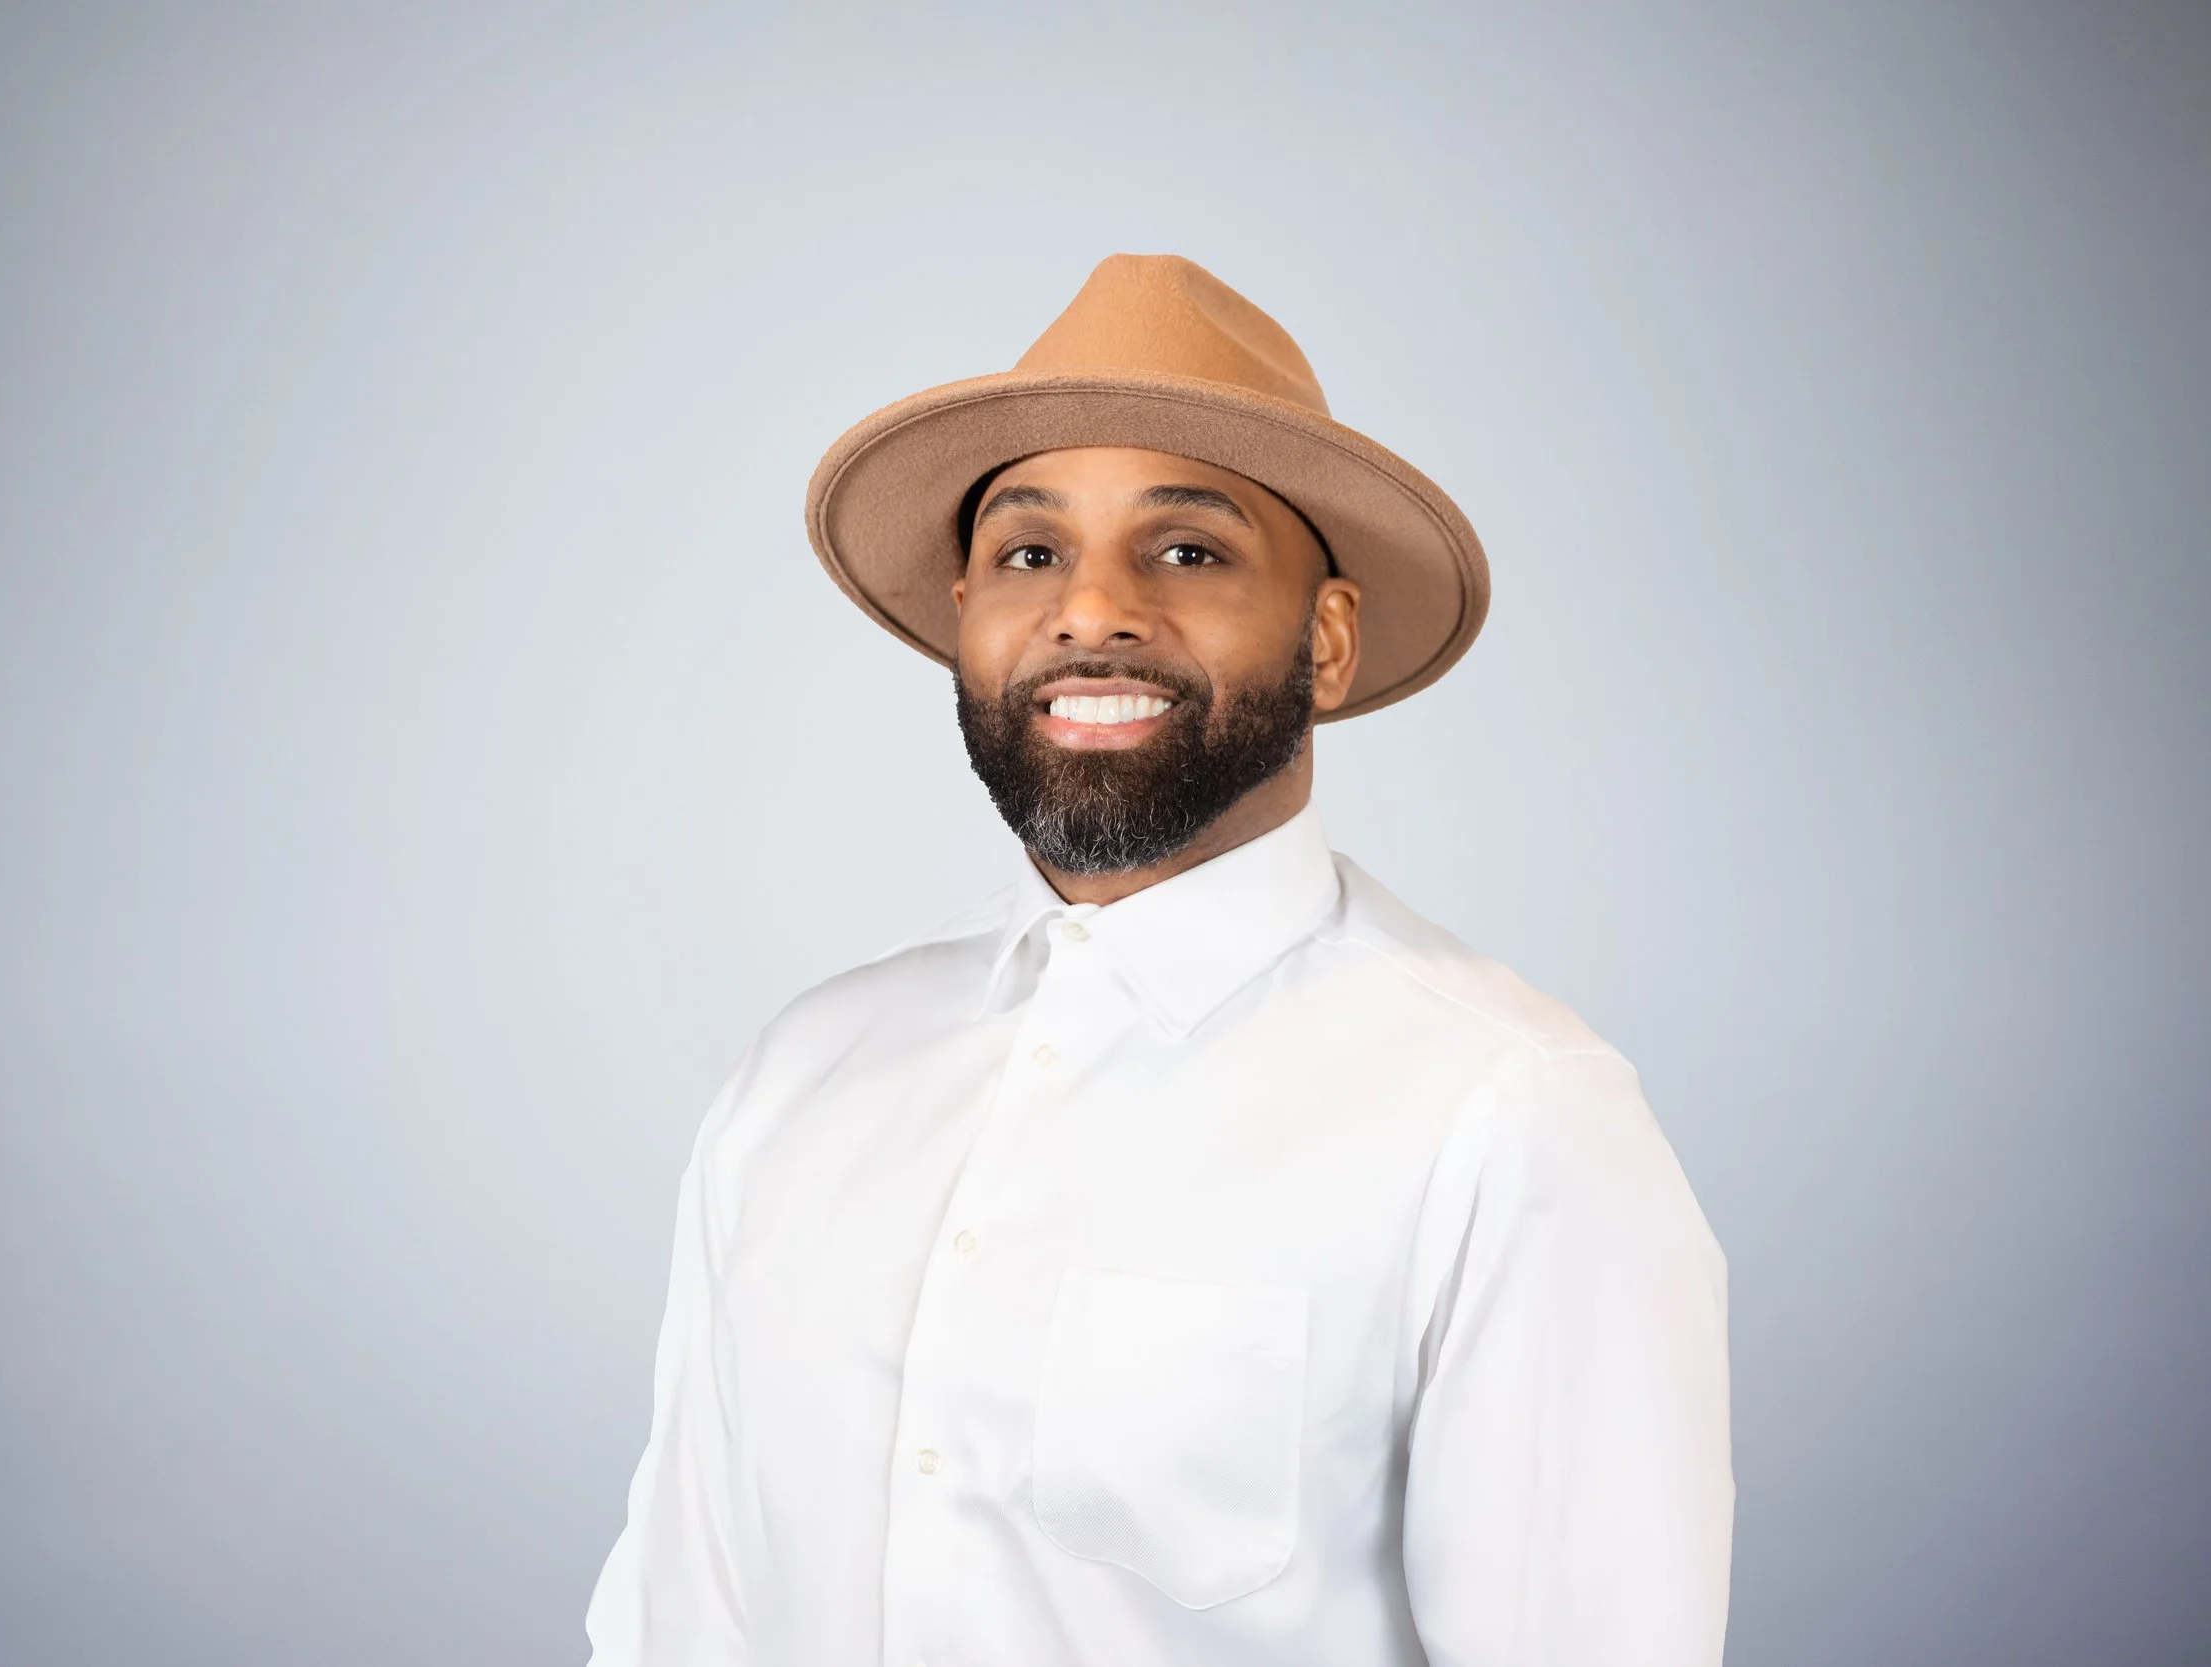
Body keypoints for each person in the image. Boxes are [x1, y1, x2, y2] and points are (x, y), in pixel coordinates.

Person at [585, 255, 1732, 1667]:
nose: (1092, 610)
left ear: (1325, 640)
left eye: (1187, 550)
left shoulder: (1510, 1114)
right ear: (965, 614)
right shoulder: (806, 1073)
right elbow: (676, 1620)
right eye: (1029, 553)